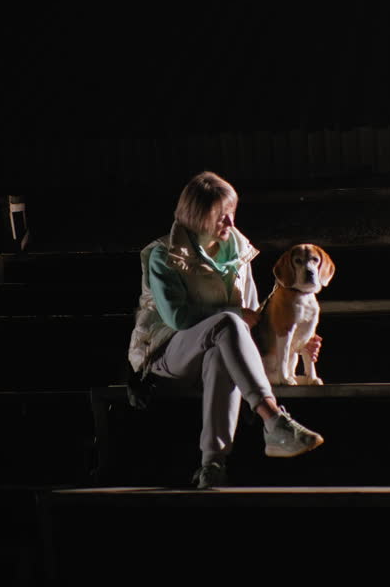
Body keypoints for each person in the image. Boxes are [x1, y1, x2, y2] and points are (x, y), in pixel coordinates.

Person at [128, 171, 325, 488]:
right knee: (229, 321)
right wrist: (234, 314)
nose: (230, 223)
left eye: (232, 214)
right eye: (221, 216)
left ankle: (212, 466)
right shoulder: (164, 255)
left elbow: (253, 316)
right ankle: (273, 419)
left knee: (222, 353)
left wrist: (299, 341)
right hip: (166, 354)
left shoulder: (237, 252)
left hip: (216, 349)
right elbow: (178, 318)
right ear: (197, 215)